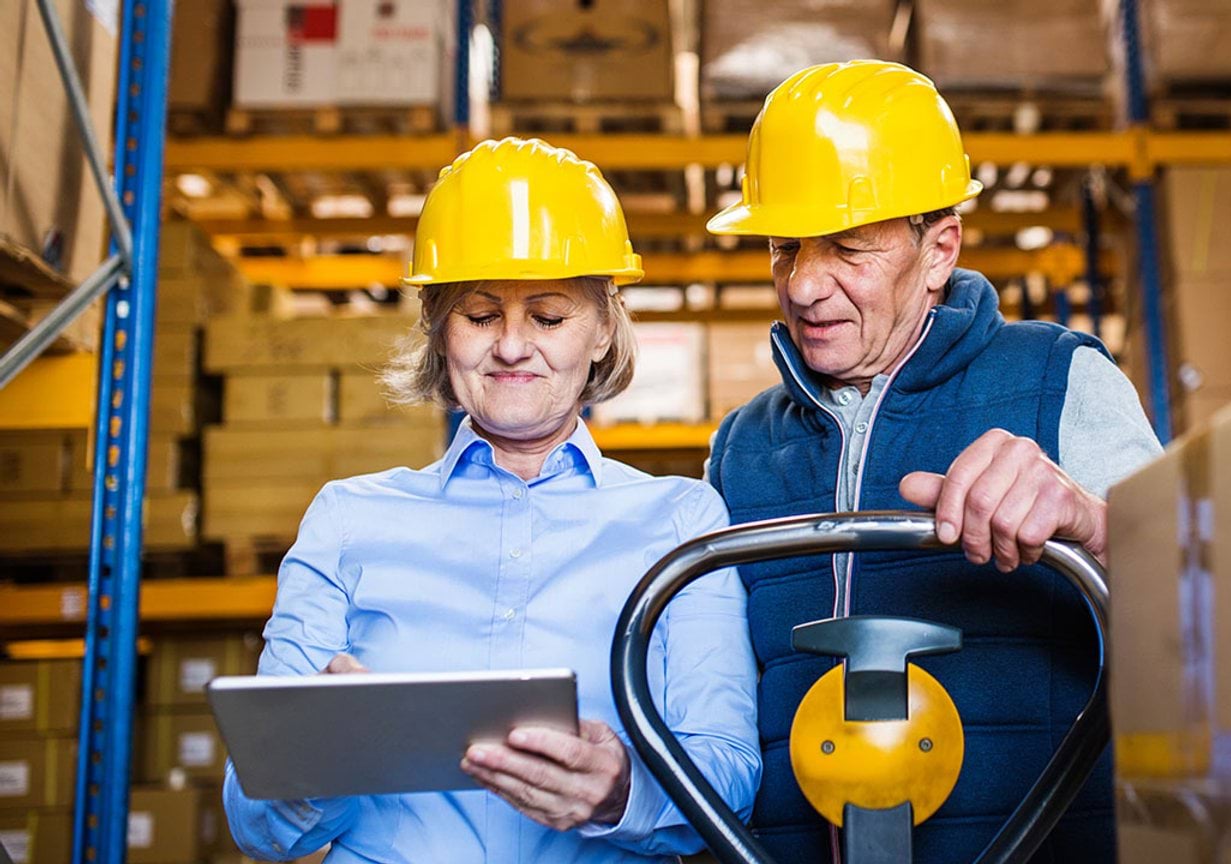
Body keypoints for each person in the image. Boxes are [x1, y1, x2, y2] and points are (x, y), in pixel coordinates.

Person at [223, 137, 760, 863]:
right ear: (439, 331)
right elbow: (255, 824)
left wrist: (621, 790)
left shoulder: (678, 521)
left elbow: (730, 779)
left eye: (547, 317)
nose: (511, 347)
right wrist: (317, 756)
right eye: (479, 316)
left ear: (603, 329)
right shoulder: (350, 520)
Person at [704, 61, 1163, 862]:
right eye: (784, 247)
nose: (805, 285)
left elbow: (1212, 619)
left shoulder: (1058, 382)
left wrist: (1092, 524)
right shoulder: (742, 447)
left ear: (939, 248)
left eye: (848, 247)